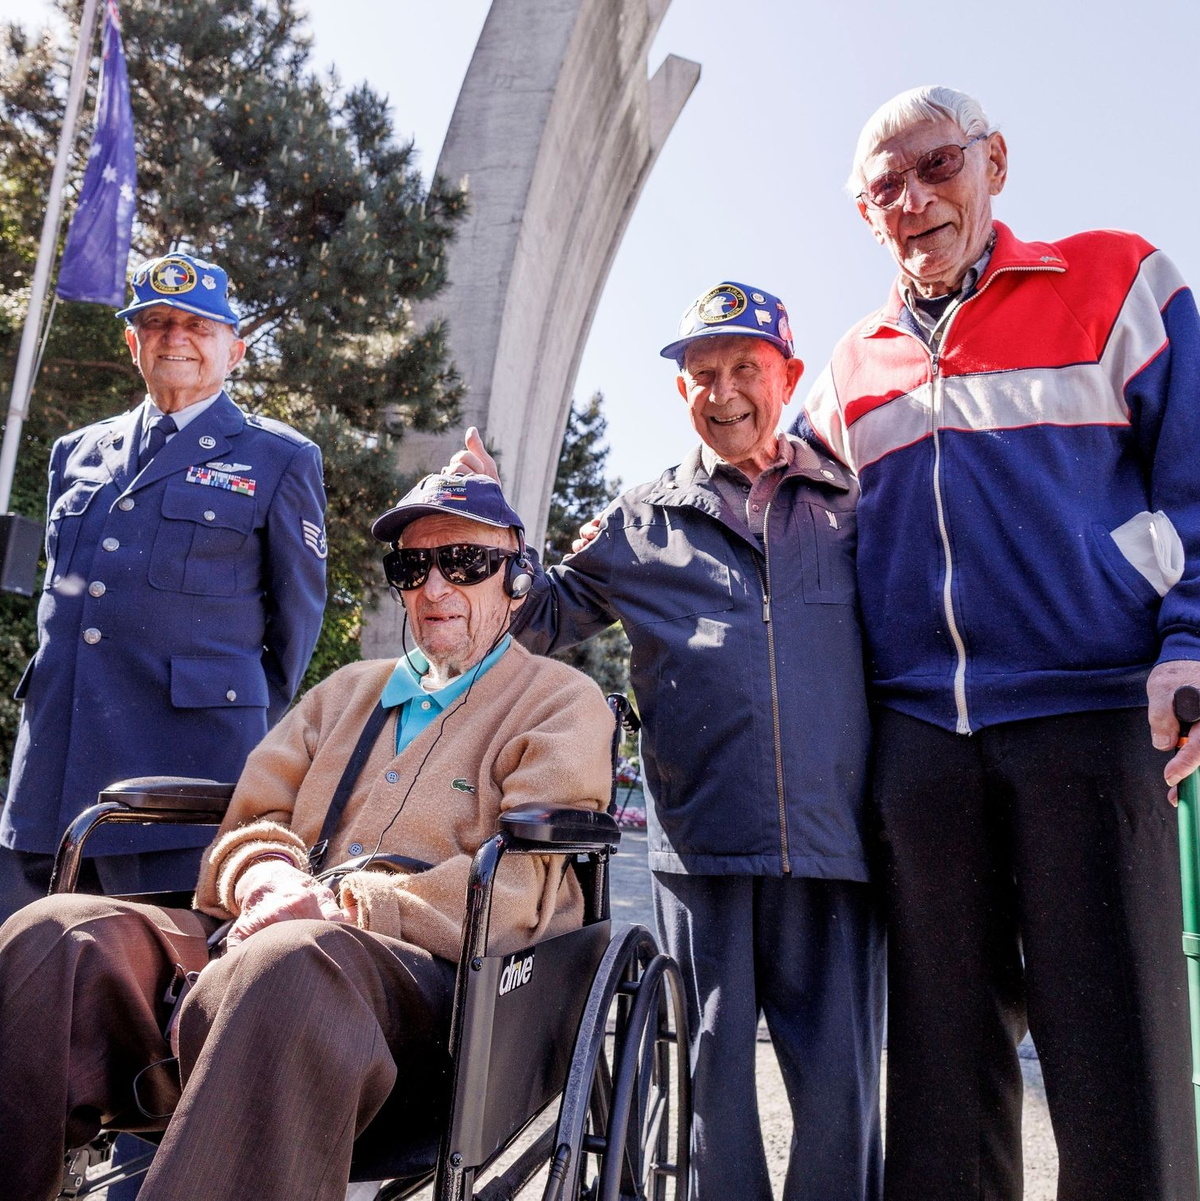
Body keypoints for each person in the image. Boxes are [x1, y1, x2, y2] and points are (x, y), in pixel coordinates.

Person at [794, 84, 1200, 1200]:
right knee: (939, 1070)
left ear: (995, 163)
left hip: (1092, 709)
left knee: (1115, 1063)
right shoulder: (848, 370)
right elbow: (771, 512)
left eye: (937, 166)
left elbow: (1198, 476)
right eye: (886, 188)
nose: (915, 200)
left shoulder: (1119, 282)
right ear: (866, 215)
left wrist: (1190, 637)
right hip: (921, 738)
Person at [0, 472, 614, 1201]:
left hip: (432, 990)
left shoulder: (559, 703)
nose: (436, 586)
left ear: (516, 577)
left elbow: (520, 892)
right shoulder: (345, 693)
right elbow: (255, 818)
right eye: (412, 567)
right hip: (261, 936)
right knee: (54, 933)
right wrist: (268, 877)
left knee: (293, 962)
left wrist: (347, 907)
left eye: (466, 562)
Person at [449, 285, 885, 1201]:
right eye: (700, 375)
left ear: (789, 377)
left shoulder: (853, 505)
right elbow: (538, 619)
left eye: (743, 370)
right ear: (681, 392)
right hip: (705, 846)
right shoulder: (640, 520)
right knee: (711, 1086)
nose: (721, 392)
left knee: (842, 1093)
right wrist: (490, 534)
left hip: (838, 845)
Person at [0, 251, 327, 919]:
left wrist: (227, 716)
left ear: (233, 350)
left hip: (180, 779)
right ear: (133, 343)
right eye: (158, 323)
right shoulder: (78, 452)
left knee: (147, 991)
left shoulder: (280, 459)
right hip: (53, 771)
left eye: (197, 326)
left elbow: (295, 633)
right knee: (20, 978)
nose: (176, 337)